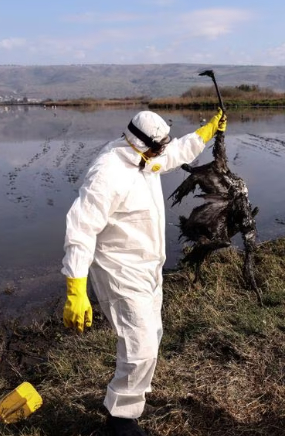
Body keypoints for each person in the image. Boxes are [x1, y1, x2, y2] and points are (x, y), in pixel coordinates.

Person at [61, 108, 226, 436]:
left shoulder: (144, 157)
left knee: (152, 335)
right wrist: (75, 289)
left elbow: (170, 156)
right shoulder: (107, 173)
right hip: (119, 272)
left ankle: (129, 399)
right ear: (141, 143)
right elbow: (80, 229)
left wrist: (205, 133)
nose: (163, 151)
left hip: (149, 267)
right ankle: (120, 420)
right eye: (158, 146)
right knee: (140, 345)